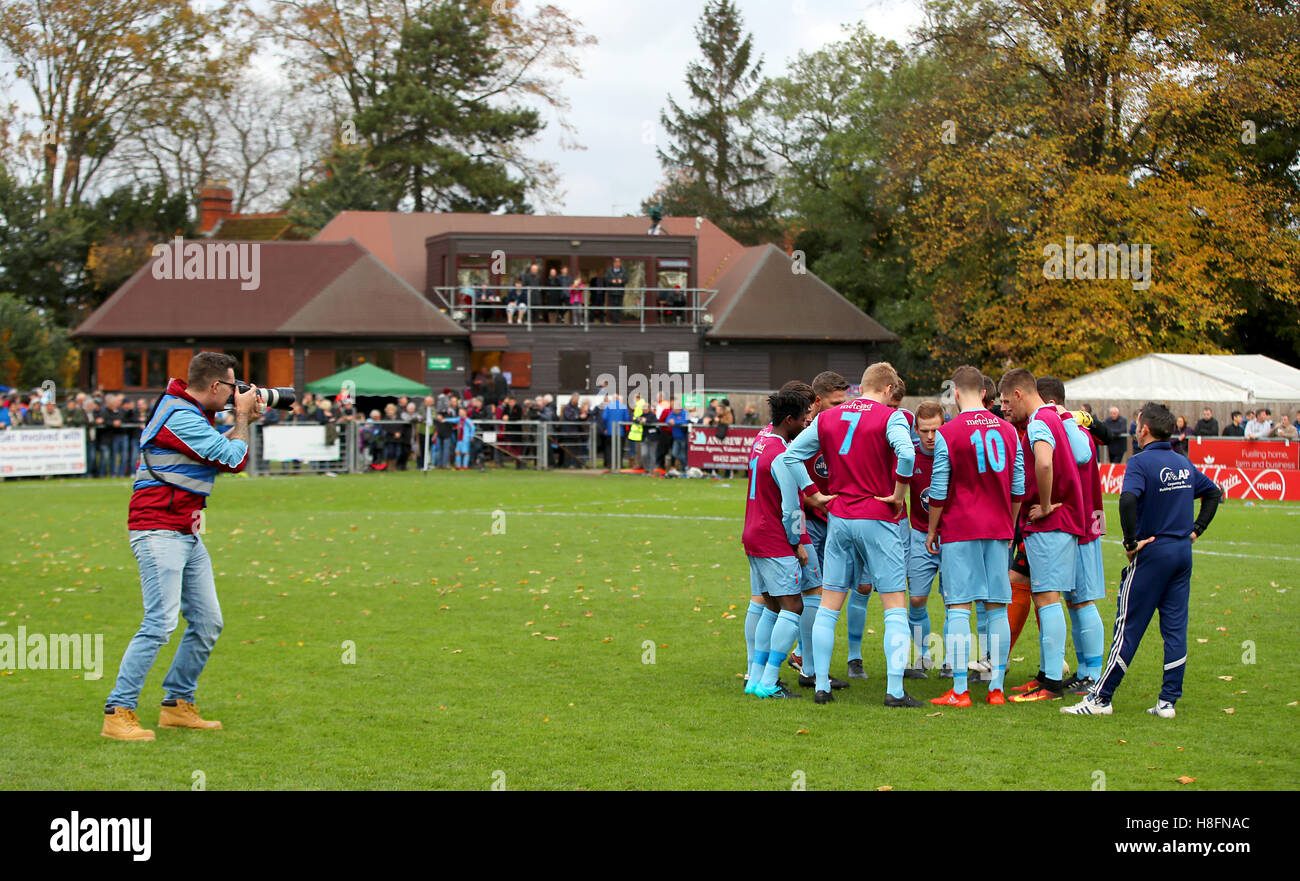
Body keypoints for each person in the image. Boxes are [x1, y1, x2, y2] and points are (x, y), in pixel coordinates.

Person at [101, 352, 264, 741]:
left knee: (208, 623)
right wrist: (241, 420)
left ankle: (176, 705)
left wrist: (243, 422)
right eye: (232, 386)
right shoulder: (179, 415)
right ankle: (117, 711)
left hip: (185, 531)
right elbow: (233, 460)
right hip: (159, 530)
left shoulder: (187, 413)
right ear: (214, 386)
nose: (235, 393)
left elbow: (216, 458)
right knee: (159, 623)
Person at [1063, 402, 1222, 717]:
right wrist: (1196, 530)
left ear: (1144, 428)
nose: (1134, 428)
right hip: (1181, 553)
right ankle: (1167, 702)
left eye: (1136, 423)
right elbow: (1214, 493)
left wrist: (1131, 541)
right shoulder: (1182, 463)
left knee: (1128, 626)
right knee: (1175, 628)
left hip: (1153, 553)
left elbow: (1128, 499)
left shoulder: (1139, 462)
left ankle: (1100, 699)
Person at [779, 362, 920, 707]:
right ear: (888, 389)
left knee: (829, 606)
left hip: (840, 517)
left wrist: (812, 492)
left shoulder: (828, 417)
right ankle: (895, 691)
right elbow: (907, 452)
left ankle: (822, 684)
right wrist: (900, 495)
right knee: (894, 606)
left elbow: (791, 455)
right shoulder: (891, 416)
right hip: (877, 515)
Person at [925, 367, 1023, 707]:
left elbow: (938, 488)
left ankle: (961, 690)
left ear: (955, 394)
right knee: (997, 608)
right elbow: (1018, 486)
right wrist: (1008, 525)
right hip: (997, 529)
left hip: (961, 529)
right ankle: (996, 688)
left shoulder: (949, 433)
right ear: (984, 393)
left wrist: (933, 529)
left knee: (958, 608)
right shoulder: (1010, 431)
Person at [998, 367, 1091, 703]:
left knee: (1048, 599)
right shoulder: (1053, 415)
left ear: (1020, 394)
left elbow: (1045, 464)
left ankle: (1051, 683)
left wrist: (1048, 504)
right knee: (1039, 595)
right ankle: (1045, 675)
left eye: (1008, 401)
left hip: (1052, 523)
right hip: (1058, 523)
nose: (1007, 408)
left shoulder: (1039, 421)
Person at [743, 388, 817, 699]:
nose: (808, 424)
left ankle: (755, 679)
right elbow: (791, 509)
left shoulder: (761, 441)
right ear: (790, 420)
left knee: (771, 608)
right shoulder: (785, 457)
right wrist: (798, 541)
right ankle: (770, 681)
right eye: (804, 419)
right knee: (794, 606)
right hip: (773, 538)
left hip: (753, 534)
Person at [1038, 376, 1108, 696]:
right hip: (1081, 522)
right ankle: (1085, 670)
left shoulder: (1066, 427)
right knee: (1075, 601)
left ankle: (1092, 673)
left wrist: (1067, 418)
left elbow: (1081, 455)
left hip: (1079, 524)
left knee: (1081, 601)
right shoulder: (1068, 426)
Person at [904, 400, 945, 679]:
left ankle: (953, 661)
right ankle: (923, 657)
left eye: (936, 430)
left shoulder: (953, 452)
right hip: (919, 535)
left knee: (956, 603)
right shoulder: (909, 455)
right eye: (925, 431)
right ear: (916, 430)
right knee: (917, 599)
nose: (930, 437)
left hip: (954, 537)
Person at [665, 398, 689, 470]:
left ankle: (684, 468)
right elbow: (667, 420)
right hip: (676, 437)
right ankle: (685, 465)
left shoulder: (685, 413)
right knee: (675, 453)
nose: (673, 410)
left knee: (683, 454)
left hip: (683, 437)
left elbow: (685, 421)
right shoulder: (672, 413)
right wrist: (670, 421)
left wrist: (675, 422)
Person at [604, 258, 628, 324]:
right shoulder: (609, 271)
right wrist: (611, 281)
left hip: (620, 291)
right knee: (613, 306)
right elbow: (606, 279)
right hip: (612, 291)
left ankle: (619, 320)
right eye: (616, 262)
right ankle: (614, 321)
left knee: (619, 306)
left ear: (620, 263)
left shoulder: (624, 271)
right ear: (614, 263)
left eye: (619, 262)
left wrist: (622, 281)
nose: (617, 264)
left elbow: (626, 279)